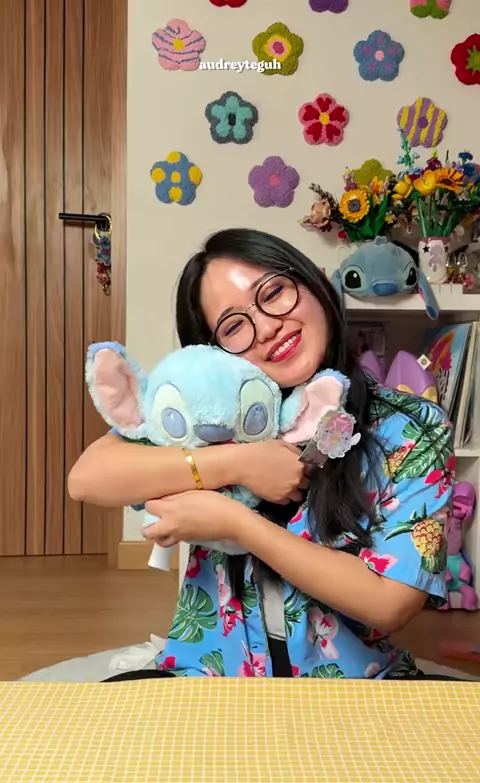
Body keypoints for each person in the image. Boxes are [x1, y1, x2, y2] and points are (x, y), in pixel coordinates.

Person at [69, 228, 456, 680]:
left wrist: (237, 524)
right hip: (210, 680)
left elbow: (390, 604)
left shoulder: (411, 425)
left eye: (273, 293)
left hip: (356, 687)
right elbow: (87, 478)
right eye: (234, 326)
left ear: (316, 284)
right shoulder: (211, 419)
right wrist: (239, 463)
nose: (268, 327)